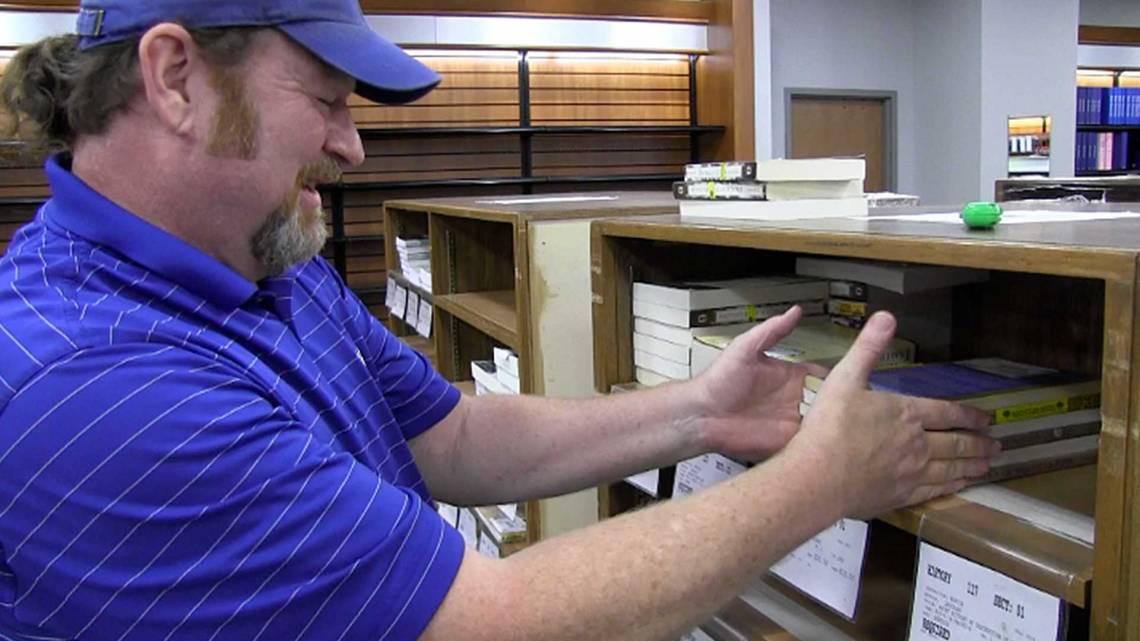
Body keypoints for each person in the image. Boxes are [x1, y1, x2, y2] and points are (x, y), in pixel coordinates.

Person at [0, 1, 997, 640]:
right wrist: (825, 479)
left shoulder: (258, 257)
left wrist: (697, 410)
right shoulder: (98, 385)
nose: (352, 148)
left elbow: (457, 434)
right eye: (329, 100)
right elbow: (494, 621)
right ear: (175, 77)